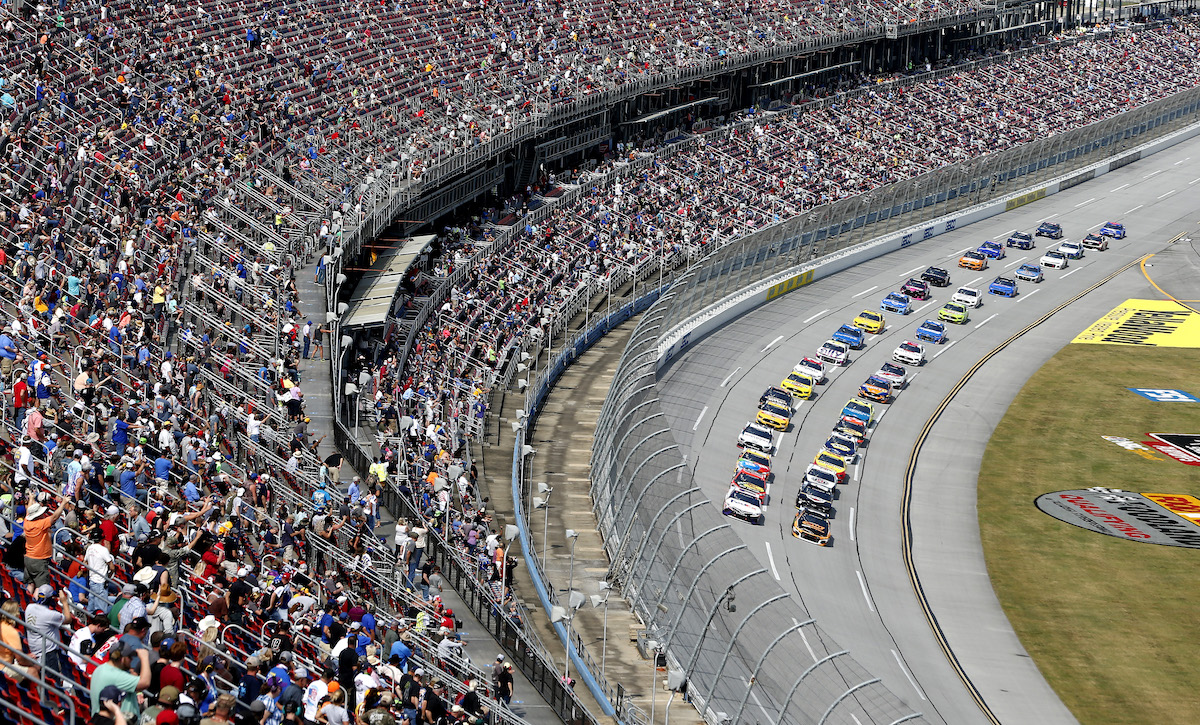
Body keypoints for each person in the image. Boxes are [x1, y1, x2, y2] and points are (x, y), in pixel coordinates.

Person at [91, 639, 152, 719]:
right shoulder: (115, 675)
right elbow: (145, 682)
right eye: (129, 657)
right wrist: (144, 658)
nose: (132, 659)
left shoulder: (100, 669)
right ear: (122, 659)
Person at [23, 493, 72, 590]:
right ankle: (37, 600)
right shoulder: (40, 524)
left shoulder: (27, 522)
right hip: (39, 560)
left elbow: (28, 511)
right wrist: (63, 503)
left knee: (31, 584)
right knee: (41, 587)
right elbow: (54, 517)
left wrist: (31, 498)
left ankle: (28, 599)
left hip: (29, 557)